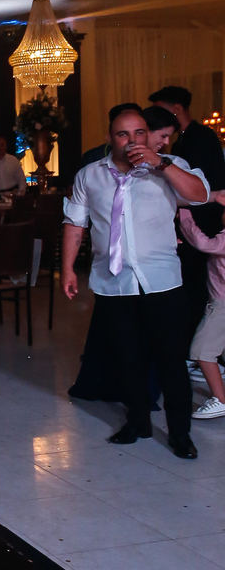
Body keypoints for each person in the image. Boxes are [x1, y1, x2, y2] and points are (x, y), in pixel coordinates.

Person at [62, 103, 209, 458]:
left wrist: (161, 164)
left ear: (148, 135)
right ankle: (138, 421)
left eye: (139, 132)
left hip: (162, 282)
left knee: (171, 360)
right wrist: (67, 268)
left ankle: (180, 433)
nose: (132, 140)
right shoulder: (89, 175)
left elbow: (200, 195)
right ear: (110, 138)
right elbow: (75, 224)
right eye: (123, 134)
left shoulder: (170, 166)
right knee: (126, 358)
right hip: (112, 282)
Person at [148, 85, 225, 342]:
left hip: (202, 220)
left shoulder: (200, 136)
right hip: (191, 219)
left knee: (198, 287)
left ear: (176, 109)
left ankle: (197, 349)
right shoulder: (182, 138)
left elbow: (192, 187)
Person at [176, 202, 225, 421]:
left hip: (222, 303)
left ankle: (221, 400)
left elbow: (202, 243)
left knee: (202, 351)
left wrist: (185, 213)